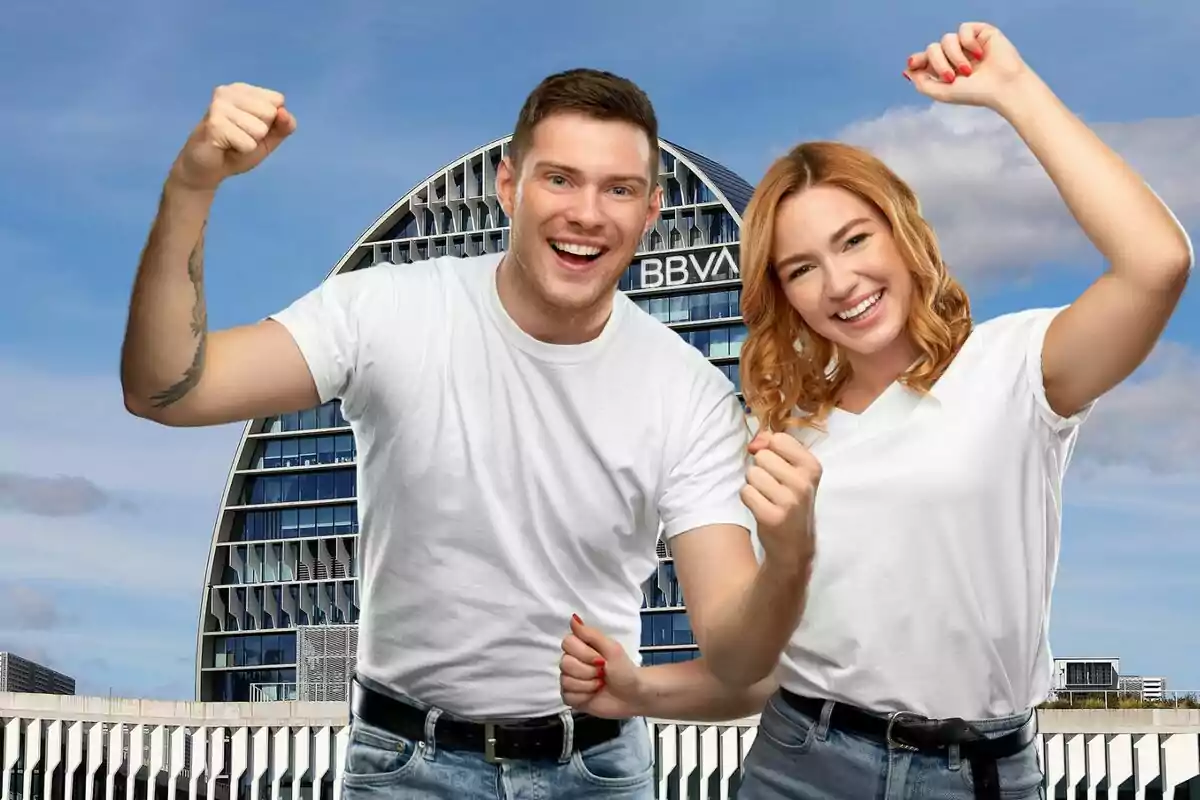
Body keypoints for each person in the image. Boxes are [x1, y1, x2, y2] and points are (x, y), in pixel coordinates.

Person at [119, 68, 819, 799]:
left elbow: (738, 663)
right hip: (405, 766)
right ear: (509, 186)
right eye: (560, 179)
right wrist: (192, 186)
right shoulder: (388, 308)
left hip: (597, 773)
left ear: (651, 211)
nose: (587, 212)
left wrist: (793, 550)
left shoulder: (691, 393)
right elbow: (169, 388)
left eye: (617, 188)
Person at [558, 22, 1192, 800]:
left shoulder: (1016, 370)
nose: (840, 281)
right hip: (801, 763)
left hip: (983, 774)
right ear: (783, 295)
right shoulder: (782, 437)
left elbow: (1157, 264)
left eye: (855, 239)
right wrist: (638, 689)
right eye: (802, 268)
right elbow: (758, 667)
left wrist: (1014, 93)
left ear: (902, 233)